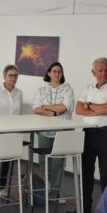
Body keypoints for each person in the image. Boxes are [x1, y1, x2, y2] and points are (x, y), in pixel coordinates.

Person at [71, 58, 107, 213]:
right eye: (100, 70)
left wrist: (89, 105)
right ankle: (84, 208)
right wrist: (97, 107)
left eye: (106, 70)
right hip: (87, 133)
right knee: (86, 172)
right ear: (93, 72)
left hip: (105, 134)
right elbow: (78, 110)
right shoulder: (88, 88)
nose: (104, 73)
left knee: (106, 173)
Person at [32, 61, 75, 204]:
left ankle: (55, 194)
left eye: (59, 71)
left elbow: (65, 107)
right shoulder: (41, 90)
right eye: (54, 71)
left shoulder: (68, 89)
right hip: (43, 131)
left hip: (61, 133)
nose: (57, 74)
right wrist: (55, 111)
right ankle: (45, 190)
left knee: (58, 164)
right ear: (49, 73)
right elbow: (36, 109)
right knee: (44, 162)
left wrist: (46, 107)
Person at [0, 64, 23, 197]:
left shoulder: (19, 93)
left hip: (13, 132)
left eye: (15, 75)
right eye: (10, 75)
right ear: (4, 76)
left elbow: (19, 113)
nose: (13, 78)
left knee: (7, 160)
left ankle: (2, 187)